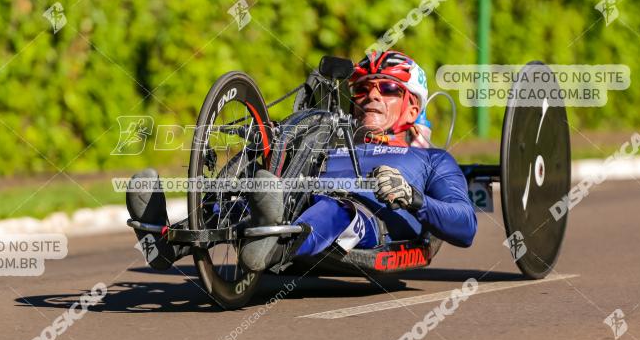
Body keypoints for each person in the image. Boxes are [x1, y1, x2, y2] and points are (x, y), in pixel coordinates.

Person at [126, 50, 476, 273]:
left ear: (413, 105)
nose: (371, 95)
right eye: (362, 89)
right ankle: (165, 241)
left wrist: (412, 197)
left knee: (336, 208)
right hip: (295, 201)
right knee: (251, 188)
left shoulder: (431, 159)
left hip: (369, 224)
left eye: (387, 89)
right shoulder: (331, 139)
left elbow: (466, 226)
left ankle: (273, 249)